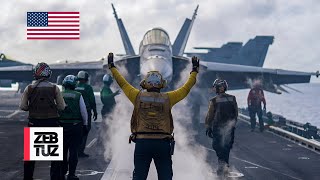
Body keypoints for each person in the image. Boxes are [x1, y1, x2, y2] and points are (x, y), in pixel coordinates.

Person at [107, 52, 199, 180]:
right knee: (165, 176)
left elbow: (122, 83)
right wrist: (194, 71)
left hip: (142, 143)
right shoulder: (168, 98)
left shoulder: (137, 96)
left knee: (139, 176)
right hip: (162, 143)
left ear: (145, 83)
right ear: (162, 84)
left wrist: (112, 67)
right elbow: (186, 88)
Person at [20, 62, 65, 180]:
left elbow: (23, 107)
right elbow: (61, 107)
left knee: (30, 157)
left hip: (34, 123)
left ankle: (28, 178)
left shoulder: (29, 88)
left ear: (36, 73)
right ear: (48, 73)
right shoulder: (55, 88)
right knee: (55, 157)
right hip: (52, 124)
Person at [205, 79, 238, 177]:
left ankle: (222, 164)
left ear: (218, 88)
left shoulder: (214, 100)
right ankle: (225, 165)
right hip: (229, 127)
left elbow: (210, 115)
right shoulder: (232, 98)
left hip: (218, 127)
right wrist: (233, 124)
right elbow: (236, 113)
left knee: (217, 146)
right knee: (227, 146)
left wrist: (208, 127)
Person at [59, 75, 88, 180]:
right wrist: (85, 125)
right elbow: (83, 112)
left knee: (62, 151)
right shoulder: (78, 95)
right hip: (75, 127)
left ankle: (61, 172)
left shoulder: (59, 94)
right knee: (73, 151)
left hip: (61, 126)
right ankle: (71, 175)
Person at [75, 70, 97, 157]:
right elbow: (92, 100)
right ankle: (80, 151)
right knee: (85, 130)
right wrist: (95, 111)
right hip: (86, 112)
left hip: (76, 113)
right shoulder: (88, 88)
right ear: (86, 78)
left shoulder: (74, 86)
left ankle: (75, 150)